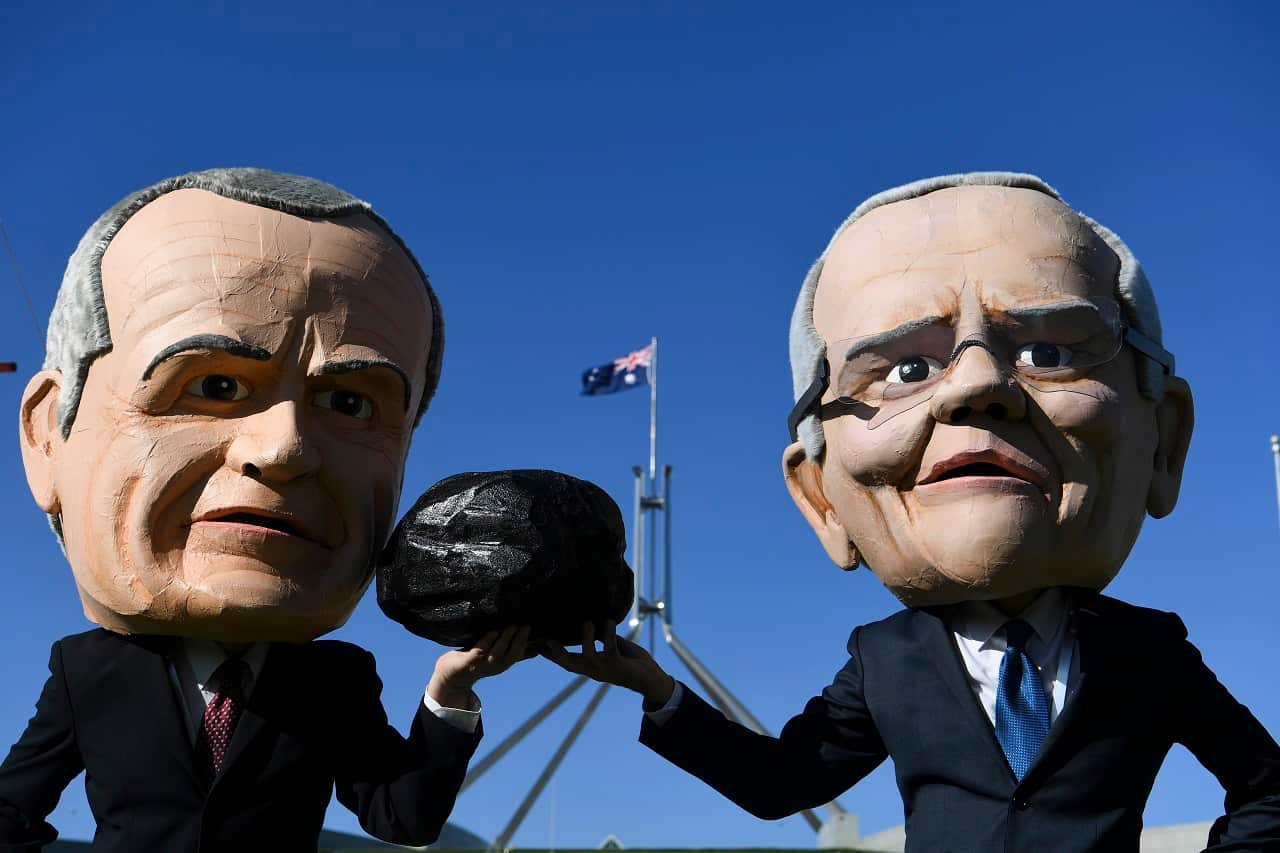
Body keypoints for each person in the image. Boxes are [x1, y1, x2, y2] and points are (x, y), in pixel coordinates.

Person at [545, 172, 1280, 851]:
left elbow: (1269, 789)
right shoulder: (883, 659)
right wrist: (658, 689)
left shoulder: (1148, 651)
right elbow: (781, 783)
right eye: (906, 369)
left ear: (1164, 445)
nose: (977, 383)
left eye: (1050, 350)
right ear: (820, 495)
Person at [0, 168, 529, 852]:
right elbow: (11, 809)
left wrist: (449, 695)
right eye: (215, 383)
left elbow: (401, 816)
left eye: (349, 403)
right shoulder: (87, 672)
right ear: (48, 438)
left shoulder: (334, 681)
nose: (284, 447)